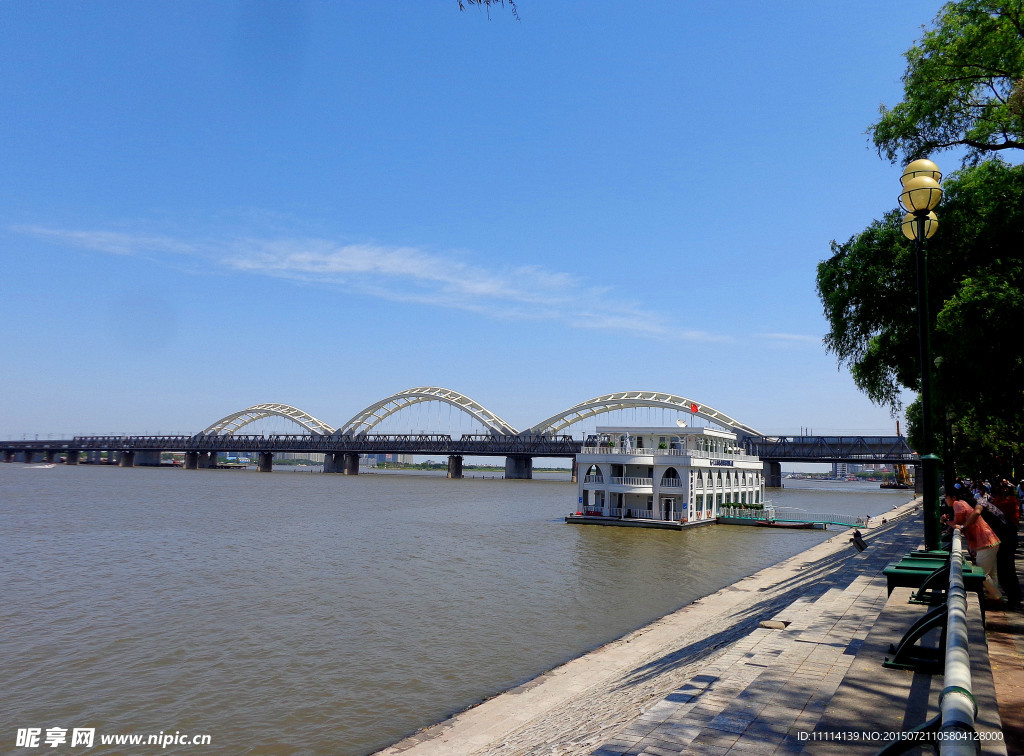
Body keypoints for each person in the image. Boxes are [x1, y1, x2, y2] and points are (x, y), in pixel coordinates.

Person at [942, 489, 1004, 603]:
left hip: (985, 543)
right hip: (990, 540)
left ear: (953, 498)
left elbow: (958, 525)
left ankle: (997, 597)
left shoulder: (957, 504)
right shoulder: (963, 504)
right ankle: (993, 598)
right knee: (991, 573)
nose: (945, 500)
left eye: (946, 497)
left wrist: (946, 521)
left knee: (981, 574)